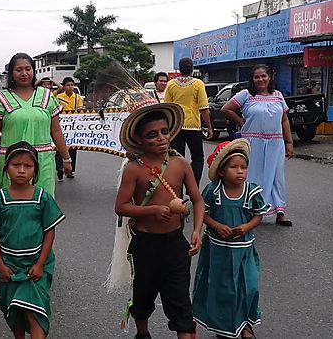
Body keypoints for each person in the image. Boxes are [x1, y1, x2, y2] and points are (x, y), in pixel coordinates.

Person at [114, 99, 205, 339]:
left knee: (180, 301)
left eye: (164, 132)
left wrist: (196, 231)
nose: (161, 138)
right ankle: (142, 333)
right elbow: (121, 207)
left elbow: (197, 200)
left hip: (176, 244)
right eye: (152, 135)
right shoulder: (133, 169)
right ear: (140, 140)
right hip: (146, 245)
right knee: (144, 294)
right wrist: (152, 210)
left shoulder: (181, 164)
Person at [0, 141, 65, 338]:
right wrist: (0, 264)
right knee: (14, 312)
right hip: (9, 264)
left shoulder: (42, 197)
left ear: (35, 170)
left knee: (36, 312)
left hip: (35, 266)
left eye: (28, 166)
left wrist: (41, 264)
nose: (22, 170)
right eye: (16, 165)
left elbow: (49, 231)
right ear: (6, 168)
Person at [192, 139, 271, 339]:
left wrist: (247, 226)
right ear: (221, 171)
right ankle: (226, 326)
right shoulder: (213, 191)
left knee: (248, 286)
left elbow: (258, 215)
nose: (240, 172)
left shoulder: (252, 191)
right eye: (234, 167)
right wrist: (216, 225)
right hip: (218, 252)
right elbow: (204, 212)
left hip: (243, 250)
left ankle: (245, 323)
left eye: (243, 167)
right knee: (224, 289)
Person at [0, 53, 72, 196]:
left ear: (33, 71)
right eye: (19, 70)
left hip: (42, 162)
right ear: (12, 74)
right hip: (12, 164)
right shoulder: (2, 99)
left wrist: (66, 158)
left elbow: (56, 131)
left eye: (28, 69)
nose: (24, 73)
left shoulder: (47, 96)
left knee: (42, 206)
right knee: (12, 209)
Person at [220, 65, 294, 226]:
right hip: (252, 143)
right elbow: (226, 109)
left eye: (263, 76)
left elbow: (284, 120)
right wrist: (240, 121)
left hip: (275, 142)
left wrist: (289, 142)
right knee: (253, 175)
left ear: (269, 77)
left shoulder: (278, 96)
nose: (260, 79)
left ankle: (280, 212)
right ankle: (249, 210)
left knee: (276, 176)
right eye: (257, 77)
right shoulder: (246, 95)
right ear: (252, 79)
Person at [164, 57, 213, 185]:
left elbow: (167, 108)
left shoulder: (171, 84)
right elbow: (203, 108)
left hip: (176, 127)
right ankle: (193, 187)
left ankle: (177, 191)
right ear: (192, 69)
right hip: (193, 127)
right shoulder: (198, 84)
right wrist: (209, 127)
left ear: (179, 69)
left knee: (176, 159)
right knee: (197, 158)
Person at [55, 77, 82, 181]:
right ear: (64, 86)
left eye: (72, 85)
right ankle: (59, 169)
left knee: (72, 148)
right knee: (59, 148)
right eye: (68, 85)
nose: (70, 87)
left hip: (73, 127)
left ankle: (70, 170)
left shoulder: (78, 98)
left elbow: (80, 111)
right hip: (61, 126)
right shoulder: (59, 97)